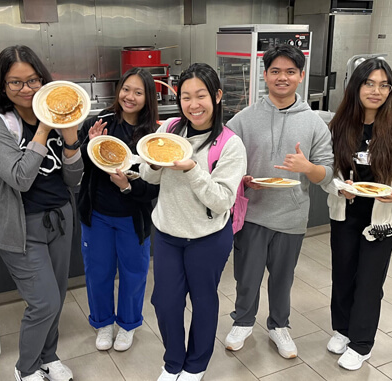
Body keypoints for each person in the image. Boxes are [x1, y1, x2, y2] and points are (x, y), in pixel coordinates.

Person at [0, 45, 82, 381]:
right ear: (2, 85)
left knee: (58, 296)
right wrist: (46, 129)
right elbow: (20, 178)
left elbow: (73, 180)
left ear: (43, 79)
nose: (26, 89)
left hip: (60, 218)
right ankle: (27, 368)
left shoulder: (57, 115)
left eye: (33, 80)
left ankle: (49, 356)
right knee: (44, 302)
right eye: (15, 82)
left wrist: (71, 141)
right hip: (19, 226)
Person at [224, 43, 334, 359]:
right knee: (246, 276)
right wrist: (240, 179)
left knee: (283, 279)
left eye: (289, 72)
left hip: (292, 216)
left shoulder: (314, 123)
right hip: (253, 214)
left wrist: (308, 168)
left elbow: (326, 174)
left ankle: (279, 325)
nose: (282, 77)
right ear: (266, 75)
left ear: (300, 76)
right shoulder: (243, 120)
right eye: (275, 71)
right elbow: (227, 163)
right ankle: (243, 321)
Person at [140, 63, 247, 381]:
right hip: (168, 232)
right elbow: (149, 179)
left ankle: (196, 365)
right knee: (165, 302)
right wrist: (153, 163)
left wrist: (191, 169)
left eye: (201, 95)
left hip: (208, 237)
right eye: (186, 96)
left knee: (203, 301)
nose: (193, 104)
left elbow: (222, 200)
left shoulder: (230, 144)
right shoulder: (169, 129)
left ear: (216, 96)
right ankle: (173, 362)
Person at [323, 58, 392, 370]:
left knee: (368, 281)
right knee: (343, 274)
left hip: (383, 216)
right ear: (357, 86)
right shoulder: (340, 124)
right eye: (369, 83)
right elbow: (330, 172)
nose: (376, 91)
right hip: (346, 212)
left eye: (383, 85)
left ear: (390, 89)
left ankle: (362, 343)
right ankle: (342, 329)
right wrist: (341, 187)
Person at [77, 67, 159, 351]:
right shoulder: (99, 124)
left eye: (138, 92)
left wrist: (128, 186)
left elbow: (154, 189)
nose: (130, 97)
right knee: (97, 271)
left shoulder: (153, 137)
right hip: (97, 214)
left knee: (134, 273)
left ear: (148, 98)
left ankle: (127, 324)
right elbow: (80, 168)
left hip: (132, 218)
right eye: (126, 89)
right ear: (118, 90)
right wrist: (88, 144)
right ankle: (102, 323)